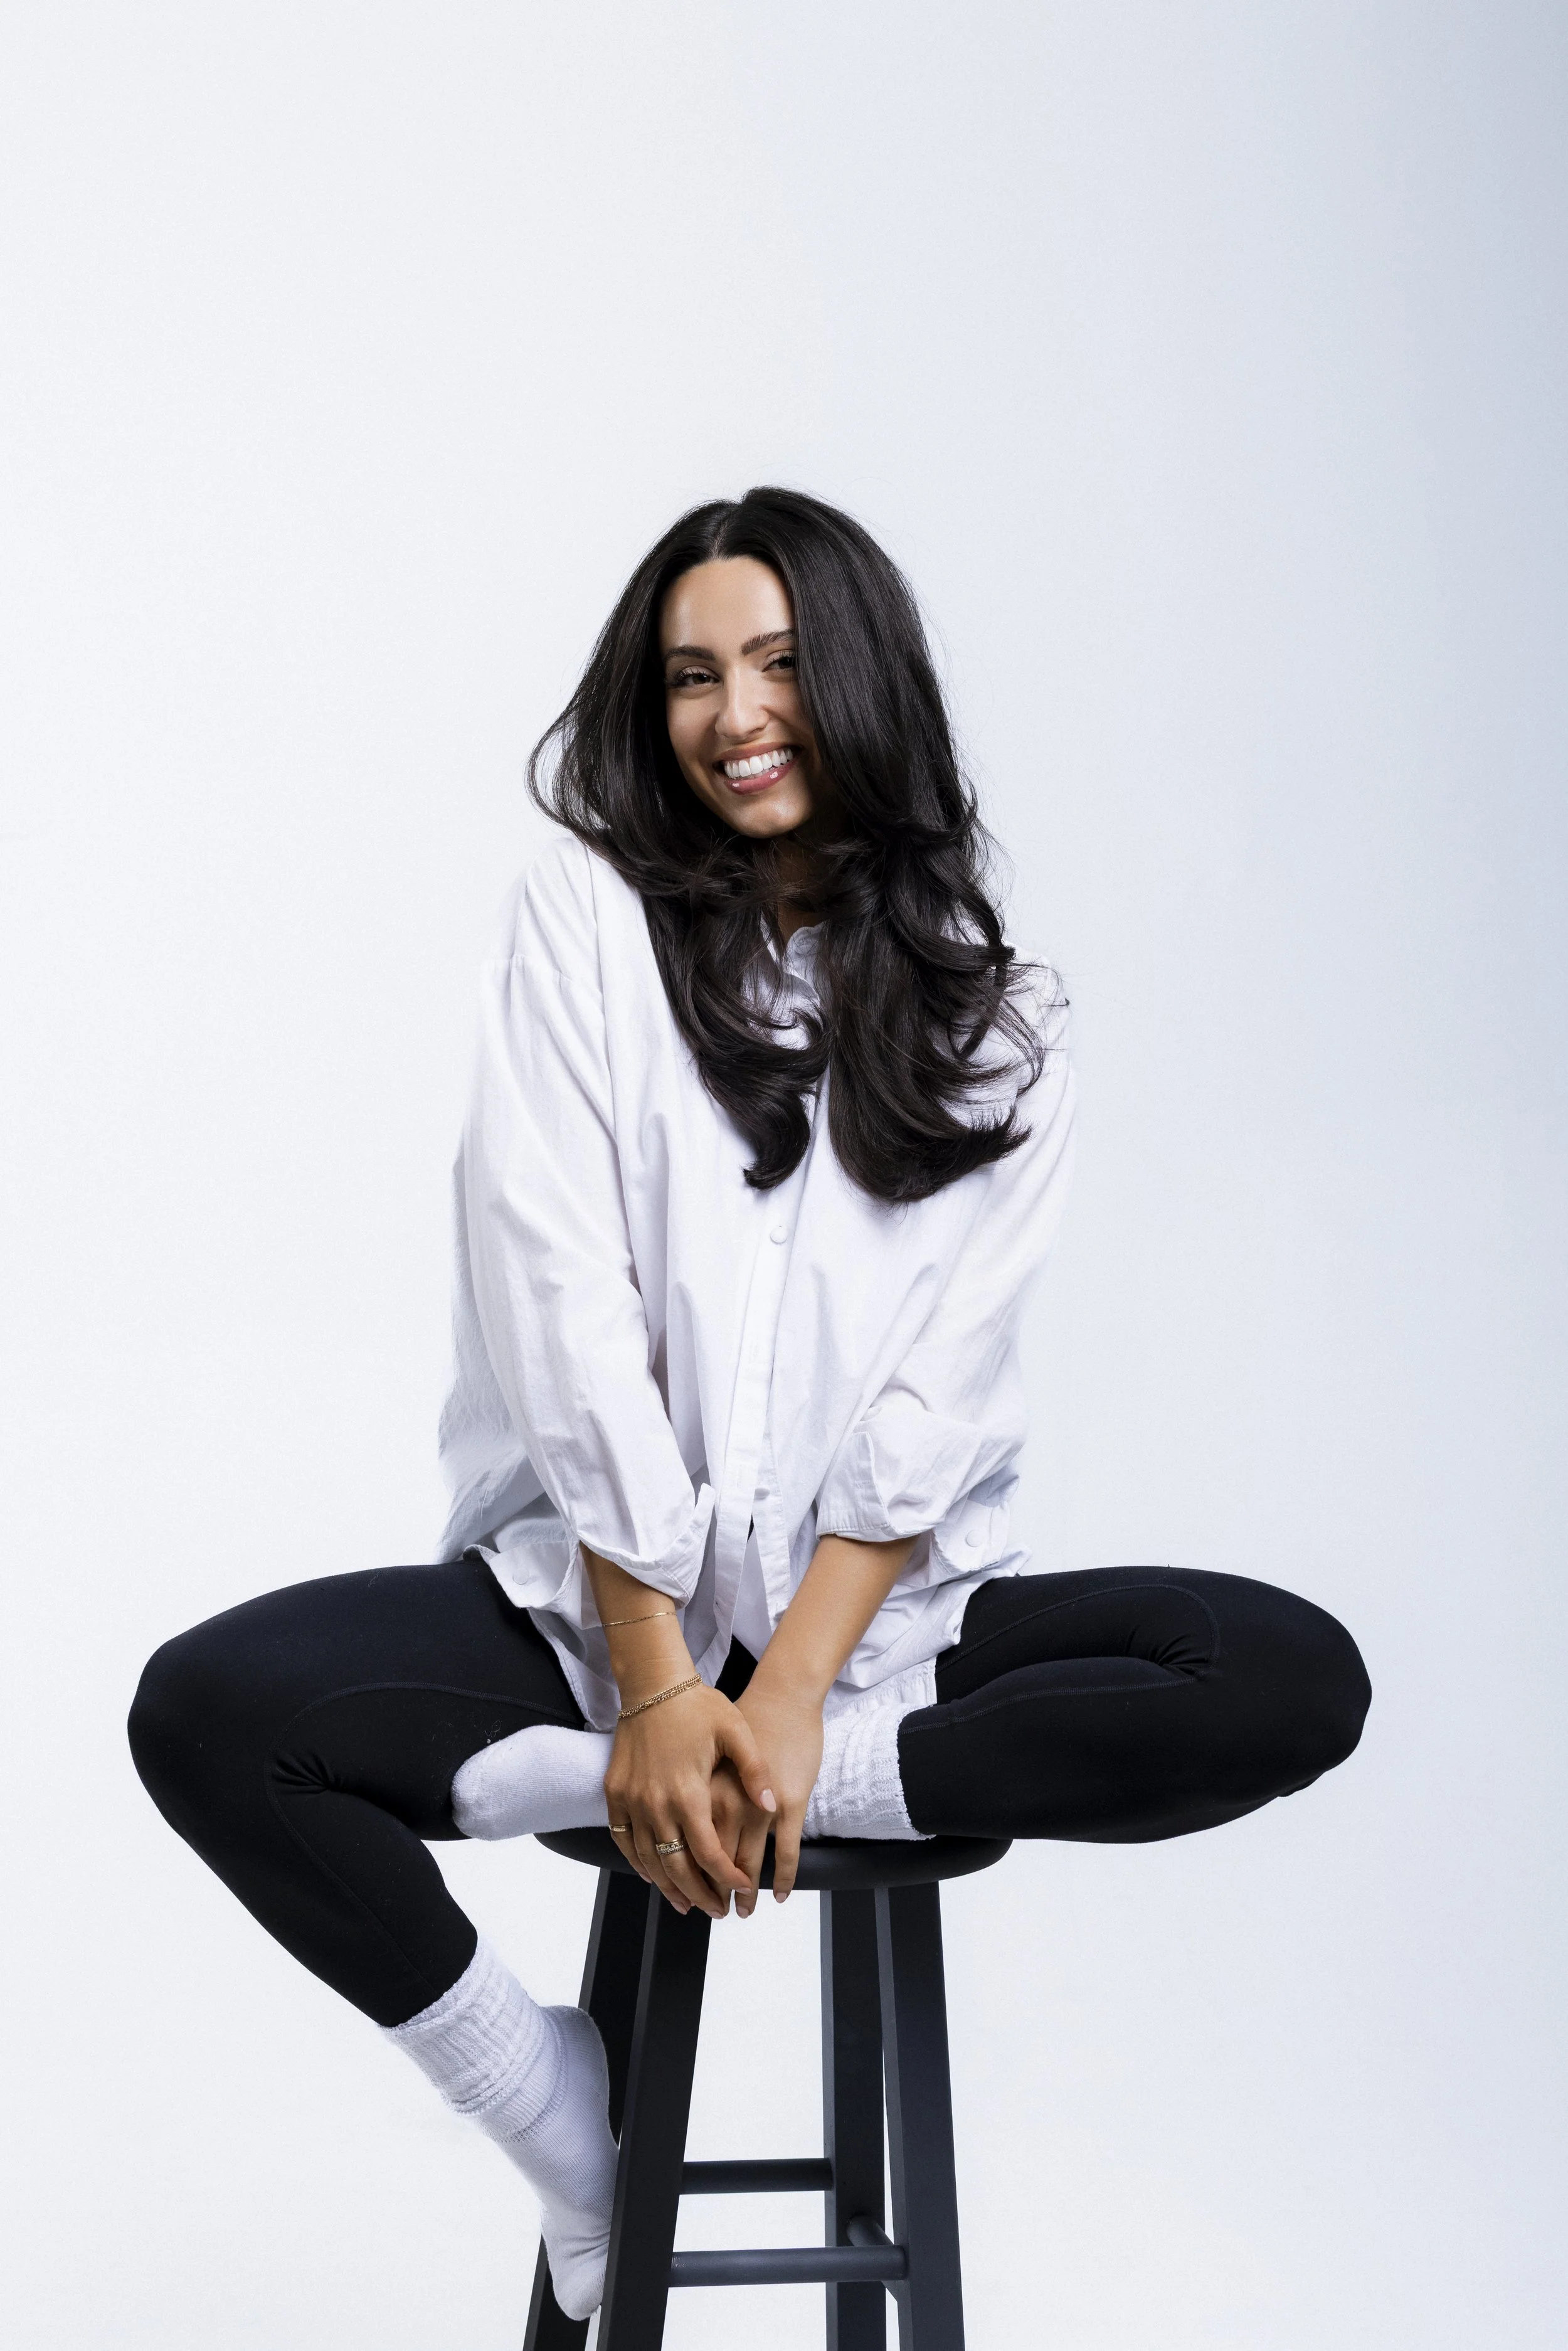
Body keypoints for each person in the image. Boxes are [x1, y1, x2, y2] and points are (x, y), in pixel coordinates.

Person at [129, 487, 1371, 2322]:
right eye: (694, 675)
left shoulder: (1000, 1014)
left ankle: (789, 1785)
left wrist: (779, 1707)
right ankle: (566, 2117)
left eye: (779, 662)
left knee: (1291, 1671)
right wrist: (654, 1687)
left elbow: (935, 1399)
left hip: (867, 1650)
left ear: (859, 678)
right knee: (207, 1711)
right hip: (585, 1631)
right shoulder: (583, 923)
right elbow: (565, 1308)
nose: (735, 713)